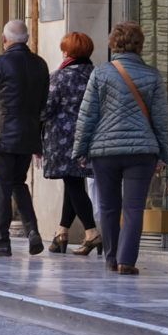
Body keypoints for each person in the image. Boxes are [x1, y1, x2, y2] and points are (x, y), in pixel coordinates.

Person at [72, 21, 168, 276]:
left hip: (105, 151)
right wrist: (163, 153)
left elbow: (87, 115)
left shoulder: (101, 74)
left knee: (108, 206)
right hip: (142, 152)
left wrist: (80, 149)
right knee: (134, 207)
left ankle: (110, 257)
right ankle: (126, 260)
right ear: (140, 45)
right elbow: (161, 119)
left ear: (113, 44)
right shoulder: (152, 76)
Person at [0, 20, 50, 257]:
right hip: (28, 135)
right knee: (19, 183)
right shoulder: (40, 64)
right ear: (26, 39)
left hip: (3, 134)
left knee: (3, 187)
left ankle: (1, 240)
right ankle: (33, 231)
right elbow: (43, 102)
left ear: (4, 40)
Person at [40, 32, 100, 255]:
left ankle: (92, 233)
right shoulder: (97, 75)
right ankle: (61, 233)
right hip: (90, 136)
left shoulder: (59, 76)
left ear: (67, 52)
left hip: (63, 140)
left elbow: (45, 109)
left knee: (73, 185)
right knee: (73, 182)